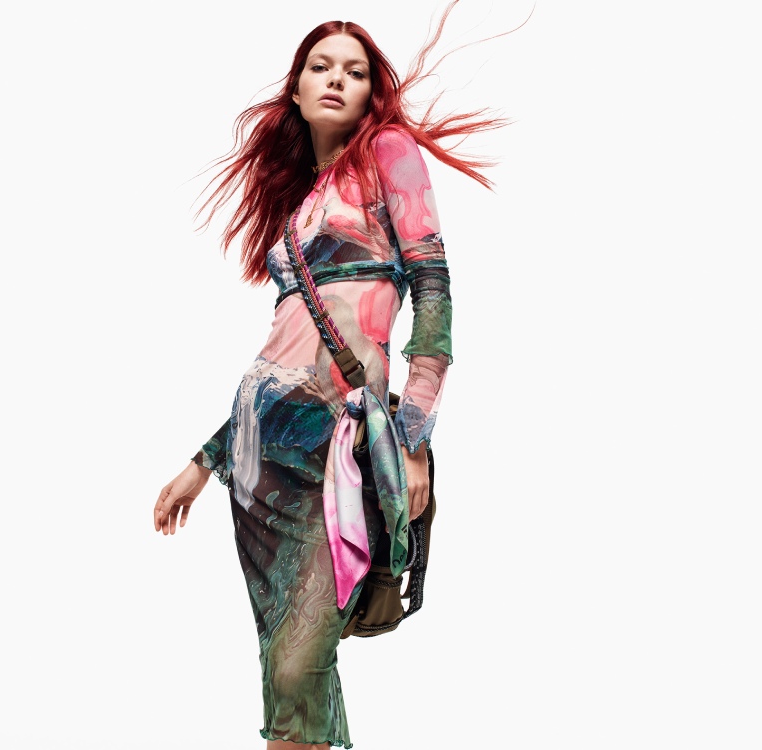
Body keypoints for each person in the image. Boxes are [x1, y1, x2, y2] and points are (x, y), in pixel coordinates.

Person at [154, 7, 502, 748]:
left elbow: (434, 291)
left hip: (339, 452)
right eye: (321, 67)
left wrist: (414, 439)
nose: (337, 79)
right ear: (297, 88)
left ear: (373, 90)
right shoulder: (299, 204)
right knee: (287, 669)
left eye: (355, 70)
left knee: (298, 666)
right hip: (262, 454)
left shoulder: (389, 154)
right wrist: (203, 462)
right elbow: (281, 350)